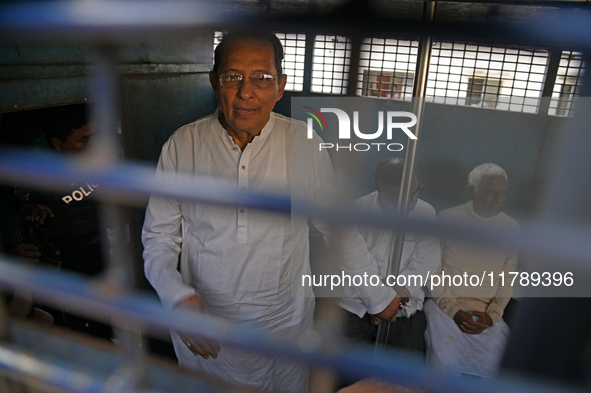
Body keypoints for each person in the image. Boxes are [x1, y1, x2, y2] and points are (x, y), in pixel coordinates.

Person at [142, 28, 401, 393]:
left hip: (284, 327)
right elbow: (158, 238)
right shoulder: (183, 146)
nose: (246, 92)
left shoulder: (305, 145)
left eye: (262, 79)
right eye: (233, 77)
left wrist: (377, 295)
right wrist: (176, 296)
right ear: (215, 82)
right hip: (208, 329)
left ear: (280, 86)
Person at [424, 163, 520, 378]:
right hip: (445, 309)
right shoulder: (448, 219)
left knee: (497, 370)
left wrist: (492, 317)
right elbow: (433, 272)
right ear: (471, 191)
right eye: (490, 192)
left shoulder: (511, 228)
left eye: (503, 193)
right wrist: (453, 310)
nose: (498, 199)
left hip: (486, 316)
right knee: (444, 368)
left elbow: (507, 280)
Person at [342, 158, 440, 355]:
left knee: (403, 378)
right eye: (407, 195)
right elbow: (351, 260)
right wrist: (377, 300)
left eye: (417, 190)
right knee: (342, 371)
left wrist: (393, 297)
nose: (414, 200)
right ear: (384, 194)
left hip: (405, 303)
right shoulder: (359, 209)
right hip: (358, 303)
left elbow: (427, 260)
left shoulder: (425, 213)